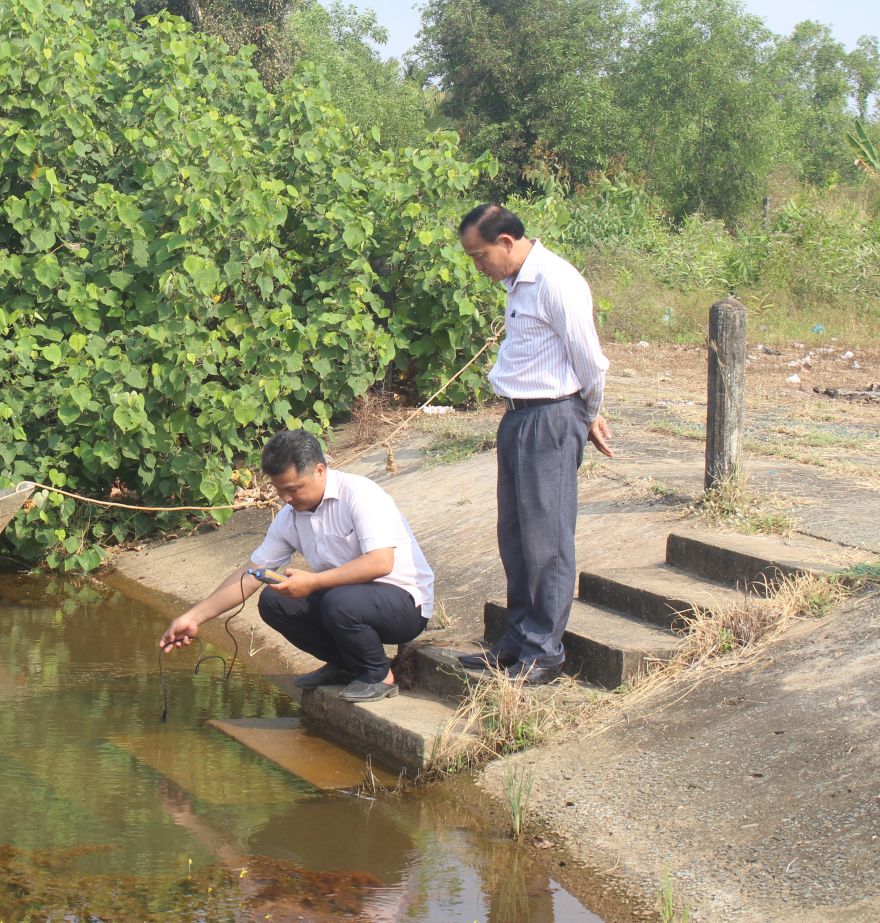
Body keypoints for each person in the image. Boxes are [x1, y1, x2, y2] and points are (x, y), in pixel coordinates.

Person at [456, 202, 614, 685]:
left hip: (551, 416)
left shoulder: (556, 281)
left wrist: (585, 414)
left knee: (547, 540)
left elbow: (590, 360)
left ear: (506, 242)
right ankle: (517, 636)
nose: (478, 266)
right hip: (519, 416)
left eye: (480, 255)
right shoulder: (516, 282)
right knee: (516, 536)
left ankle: (544, 650)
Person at [158, 430, 434, 703]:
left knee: (339, 600)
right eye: (279, 490)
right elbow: (250, 574)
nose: (286, 499)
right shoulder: (290, 517)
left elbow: (380, 562)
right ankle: (346, 664)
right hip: (347, 602)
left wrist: (313, 582)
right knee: (274, 600)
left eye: (293, 489)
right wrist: (193, 618)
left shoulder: (360, 495)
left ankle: (378, 675)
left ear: (319, 470)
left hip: (404, 605)